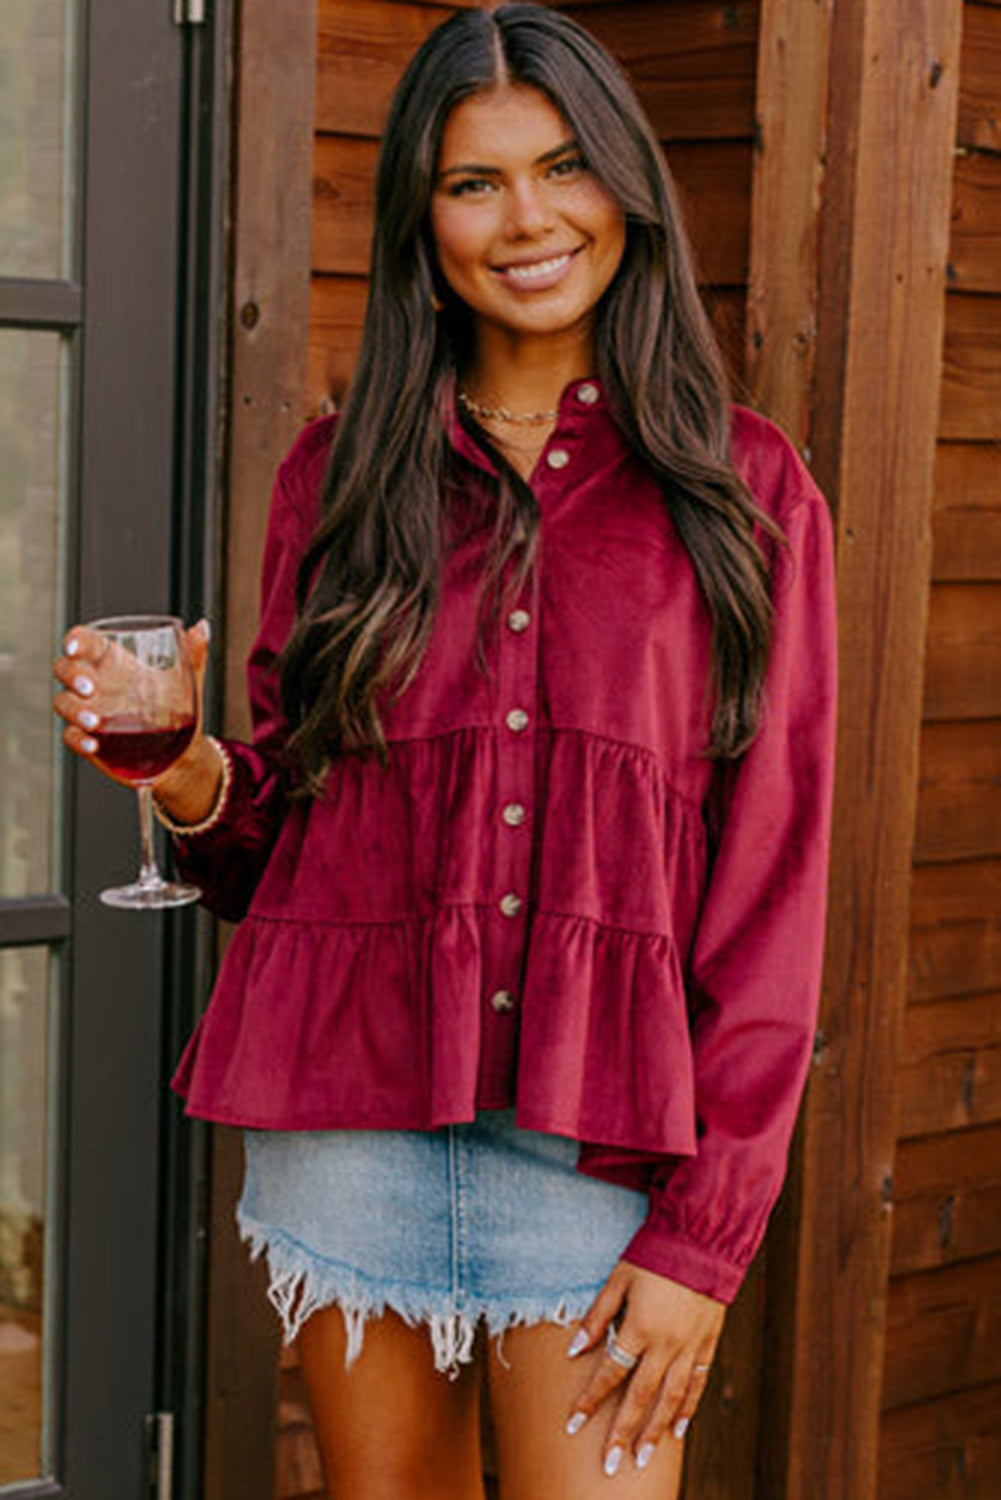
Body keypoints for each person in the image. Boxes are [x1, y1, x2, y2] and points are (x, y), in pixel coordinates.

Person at [53, 5, 837, 1496]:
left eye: (563, 168)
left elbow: (774, 885)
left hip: (606, 1158)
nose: (526, 218)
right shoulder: (337, 474)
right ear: (421, 213)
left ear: (627, 193)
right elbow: (284, 846)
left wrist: (704, 1237)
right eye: (473, 182)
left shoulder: (747, 494)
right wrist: (190, 777)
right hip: (352, 1125)